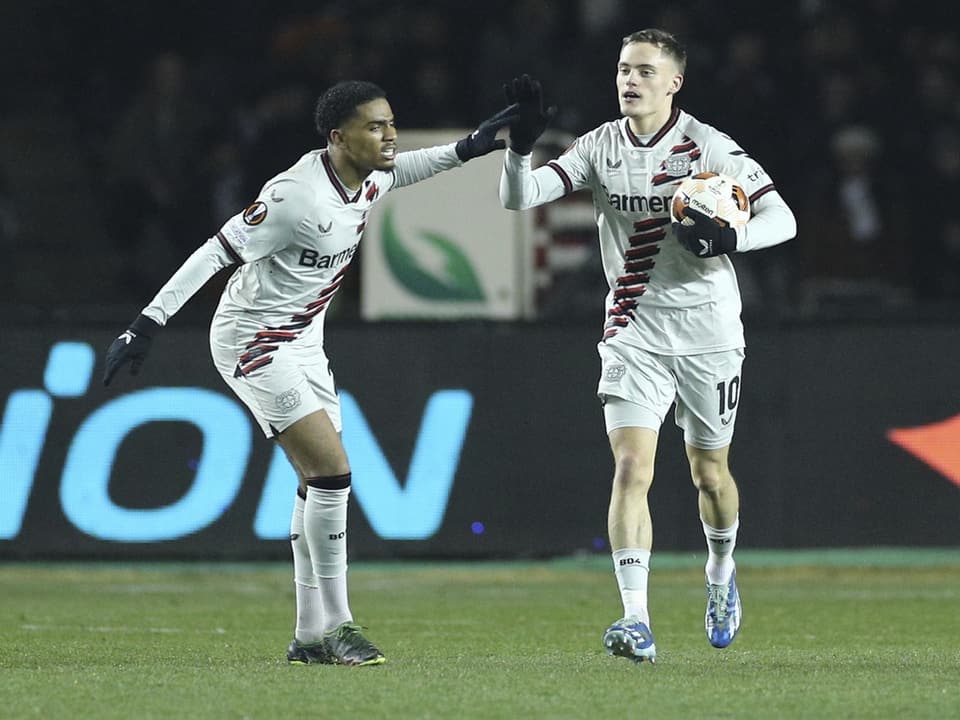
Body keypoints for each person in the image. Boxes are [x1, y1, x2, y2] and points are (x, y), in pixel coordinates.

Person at [103, 80, 517, 666]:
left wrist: (473, 145)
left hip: (305, 342)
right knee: (333, 472)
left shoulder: (370, 175)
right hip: (253, 341)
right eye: (376, 127)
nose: (390, 135)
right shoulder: (294, 196)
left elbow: (410, 168)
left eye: (391, 122)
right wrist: (147, 323)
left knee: (314, 484)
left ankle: (307, 637)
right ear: (338, 137)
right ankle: (342, 626)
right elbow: (215, 251)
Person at [498, 29, 797, 664]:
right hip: (633, 330)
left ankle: (720, 572)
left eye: (643, 71)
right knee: (633, 468)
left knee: (708, 473)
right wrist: (518, 150)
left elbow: (783, 218)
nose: (629, 80)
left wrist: (730, 242)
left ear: (674, 83)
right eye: (622, 69)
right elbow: (519, 198)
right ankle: (635, 617)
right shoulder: (599, 146)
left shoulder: (708, 147)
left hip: (708, 334)